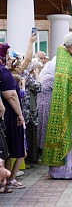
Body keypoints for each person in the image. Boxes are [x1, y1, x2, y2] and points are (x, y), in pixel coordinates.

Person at [41, 32, 72, 179]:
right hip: (70, 111)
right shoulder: (67, 63)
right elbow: (70, 91)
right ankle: (66, 170)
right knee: (70, 138)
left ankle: (70, 169)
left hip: (69, 110)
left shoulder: (68, 61)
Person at [0, 42, 26, 189]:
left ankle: (7, 179)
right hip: (11, 115)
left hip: (8, 115)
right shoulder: (3, 71)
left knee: (8, 150)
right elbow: (11, 95)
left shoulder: (5, 71)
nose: (10, 58)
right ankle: (10, 179)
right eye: (7, 54)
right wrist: (20, 115)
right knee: (16, 149)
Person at [22, 60, 42, 163]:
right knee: (29, 133)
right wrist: (37, 76)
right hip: (28, 109)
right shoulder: (26, 75)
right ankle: (29, 160)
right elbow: (38, 87)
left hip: (28, 109)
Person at [37, 57, 56, 161]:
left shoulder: (44, 77)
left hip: (42, 105)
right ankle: (45, 152)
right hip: (47, 106)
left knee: (42, 128)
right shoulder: (49, 78)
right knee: (45, 128)